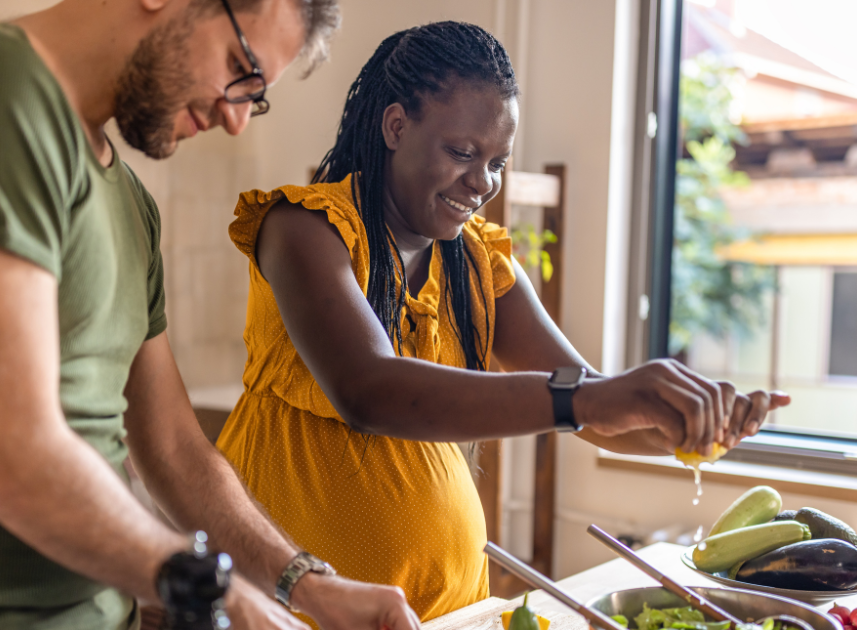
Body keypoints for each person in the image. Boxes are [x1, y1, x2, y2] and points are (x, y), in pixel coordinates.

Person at [0, 1, 420, 629]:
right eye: (239, 66)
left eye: (255, 97)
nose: (235, 120)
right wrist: (213, 589)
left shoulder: (128, 203)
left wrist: (305, 585)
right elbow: (1, 445)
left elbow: (173, 449)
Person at [216, 21, 791, 623]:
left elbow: (600, 415)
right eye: (463, 153)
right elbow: (369, 390)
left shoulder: (479, 263)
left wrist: (692, 423)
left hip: (450, 613)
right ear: (395, 126)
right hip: (288, 611)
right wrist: (594, 398)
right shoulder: (305, 230)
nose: (483, 182)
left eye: (497, 161)